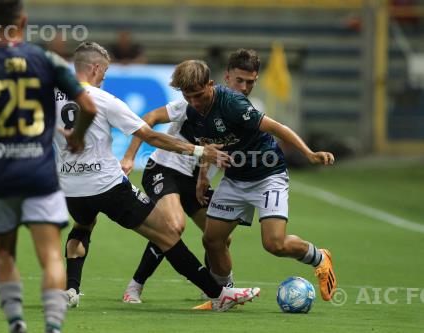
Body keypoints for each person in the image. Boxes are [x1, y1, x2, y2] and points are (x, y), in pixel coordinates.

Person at [54, 41, 259, 312]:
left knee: (82, 227)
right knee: (167, 234)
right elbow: (149, 134)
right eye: (104, 71)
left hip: (71, 189)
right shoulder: (104, 100)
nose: (105, 77)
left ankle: (71, 289)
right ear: (94, 68)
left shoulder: (50, 96)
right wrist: (198, 151)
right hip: (107, 186)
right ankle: (218, 294)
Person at [0, 1, 98, 333]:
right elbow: (88, 104)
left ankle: (17, 322)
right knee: (50, 255)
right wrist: (76, 136)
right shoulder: (46, 60)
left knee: (5, 254)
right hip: (40, 173)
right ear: (25, 21)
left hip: (0, 173)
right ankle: (52, 326)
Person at [166, 59, 337, 308]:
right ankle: (225, 295)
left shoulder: (232, 104)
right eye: (188, 96)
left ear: (211, 85)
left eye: (198, 95)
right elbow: (208, 145)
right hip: (235, 179)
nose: (194, 102)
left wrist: (309, 153)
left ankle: (320, 257)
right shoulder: (192, 111)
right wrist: (203, 177)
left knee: (274, 244)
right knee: (212, 240)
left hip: (268, 176)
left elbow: (277, 127)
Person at [119, 48, 262, 304]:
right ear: (227, 78)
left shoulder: (233, 109)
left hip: (194, 179)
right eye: (239, 80)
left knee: (220, 236)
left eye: (248, 82)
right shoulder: (189, 105)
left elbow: (210, 148)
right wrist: (129, 157)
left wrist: (203, 178)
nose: (243, 87)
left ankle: (219, 288)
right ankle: (134, 287)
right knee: (174, 226)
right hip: (164, 170)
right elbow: (149, 118)